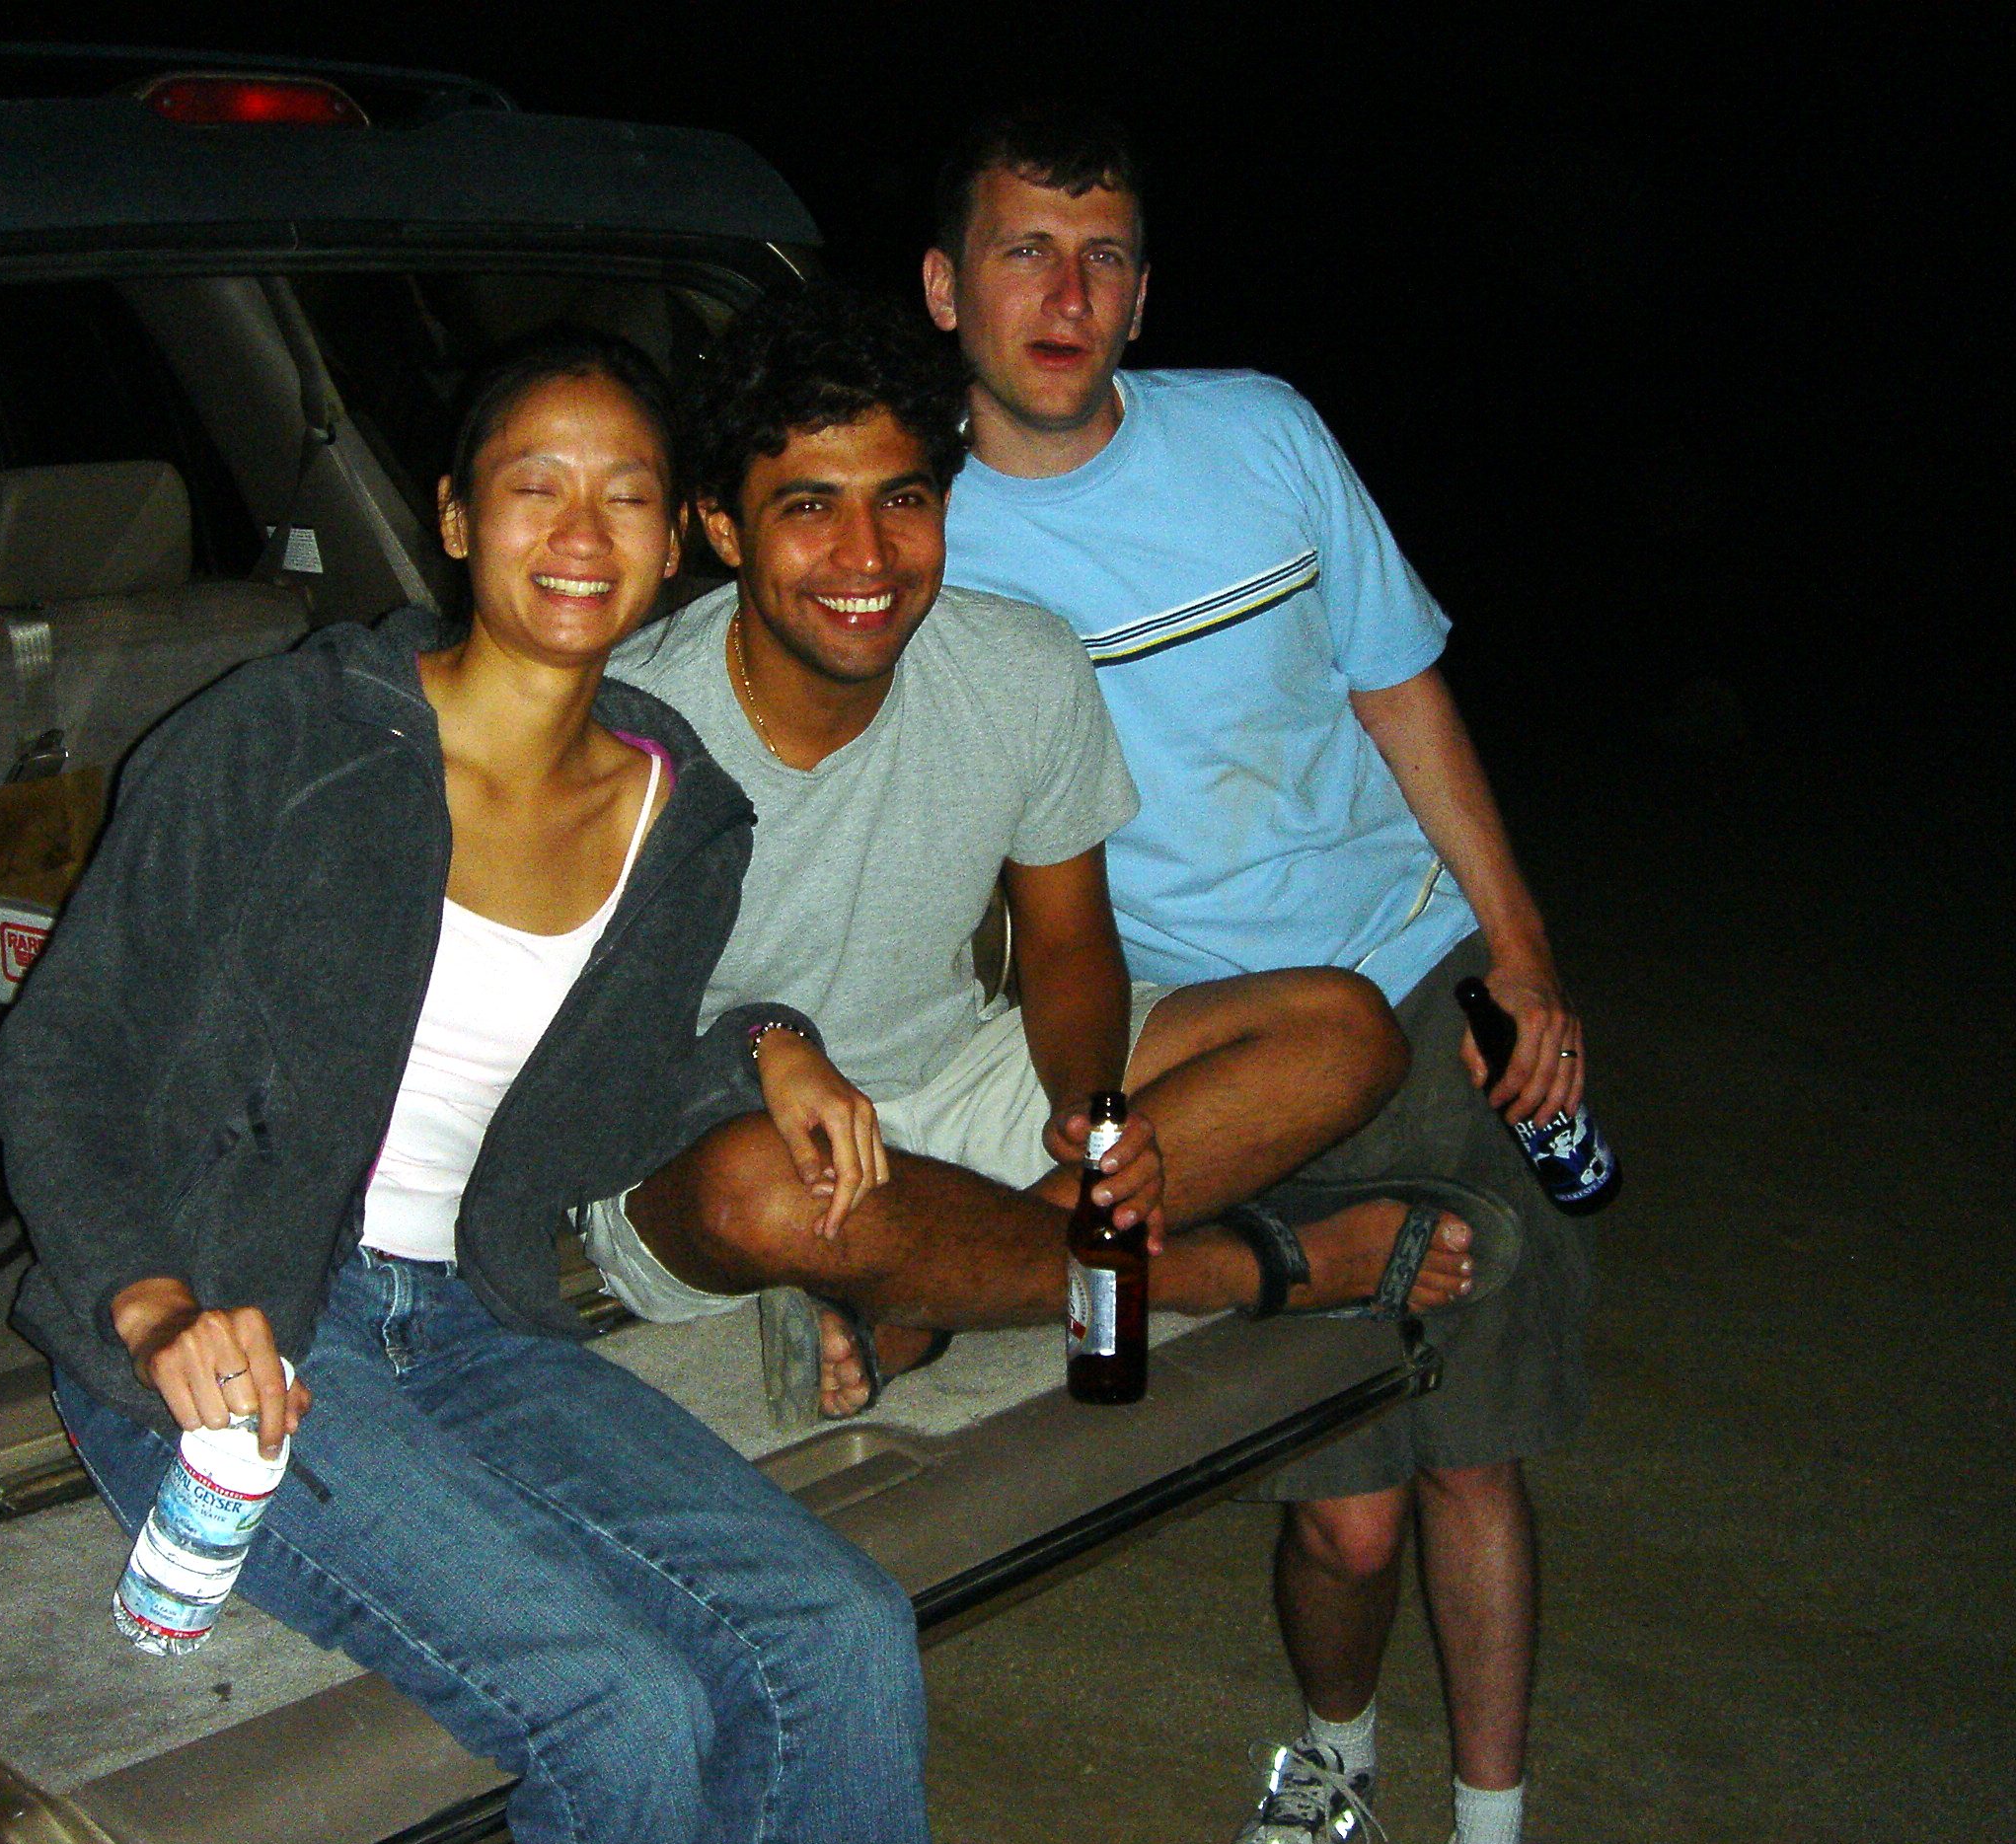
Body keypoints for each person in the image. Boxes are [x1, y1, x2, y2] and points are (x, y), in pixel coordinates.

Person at [0, 332, 946, 1844]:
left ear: (676, 534)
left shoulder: (679, 813)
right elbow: (61, 1054)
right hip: (232, 1332)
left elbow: (596, 1121)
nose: (579, 532)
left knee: (839, 1630)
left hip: (471, 1323)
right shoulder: (283, 737)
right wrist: (149, 1303)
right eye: (533, 487)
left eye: (624, 495)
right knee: (621, 1715)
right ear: (452, 516)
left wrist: (763, 1047)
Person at [927, 106, 1598, 1844]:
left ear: (1144, 294)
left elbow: (1403, 694)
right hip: (1226, 1049)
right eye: (1023, 250)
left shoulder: (1264, 434)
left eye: (1104, 257)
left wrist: (1521, 950)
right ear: (945, 287)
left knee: (1476, 1463)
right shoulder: (916, 540)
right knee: (1344, 1508)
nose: (1066, 295)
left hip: (1420, 984)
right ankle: (1332, 1753)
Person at [588, 282, 1489, 1424]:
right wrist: (768, 1051)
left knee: (1344, 1030)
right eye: (810, 507)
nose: (866, 555)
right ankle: (1242, 1269)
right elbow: (595, 1055)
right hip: (723, 1127)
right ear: (723, 528)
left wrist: (1092, 1110)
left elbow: (1067, 943)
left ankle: (933, 1283)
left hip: (951, 1077)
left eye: (903, 499)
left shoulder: (1020, 666)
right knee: (754, 1196)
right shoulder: (629, 731)